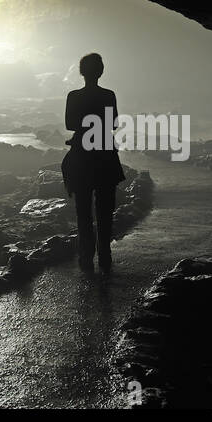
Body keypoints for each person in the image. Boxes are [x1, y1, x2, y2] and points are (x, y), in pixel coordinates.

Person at [62, 53, 125, 275]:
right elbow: (114, 122)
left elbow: (70, 123)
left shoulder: (73, 96)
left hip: (81, 155)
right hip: (105, 154)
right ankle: (105, 255)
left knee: (83, 211)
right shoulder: (109, 95)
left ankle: (86, 257)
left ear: (82, 72)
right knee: (105, 209)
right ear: (101, 72)